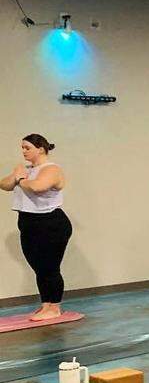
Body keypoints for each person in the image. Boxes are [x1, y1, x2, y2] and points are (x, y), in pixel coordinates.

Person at [1, 134, 72, 320]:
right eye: (22, 148)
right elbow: (4, 184)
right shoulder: (26, 169)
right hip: (28, 223)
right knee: (38, 267)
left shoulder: (52, 169)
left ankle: (55, 307)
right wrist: (17, 176)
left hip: (50, 223)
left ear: (40, 149)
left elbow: (38, 187)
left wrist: (21, 179)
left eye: (27, 148)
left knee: (50, 267)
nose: (23, 151)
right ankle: (46, 305)